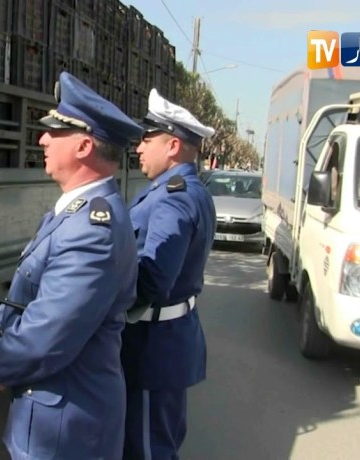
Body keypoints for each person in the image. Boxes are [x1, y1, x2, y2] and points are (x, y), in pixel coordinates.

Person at [0, 71, 143, 460]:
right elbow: (24, 295)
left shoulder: (91, 230)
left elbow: (49, 331)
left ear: (84, 145)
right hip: (56, 418)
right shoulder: (74, 214)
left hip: (66, 430)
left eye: (55, 131)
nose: (42, 139)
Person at [121, 88, 217, 459]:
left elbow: (152, 280)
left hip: (151, 348)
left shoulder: (173, 199)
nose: (139, 148)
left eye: (147, 139)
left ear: (173, 145)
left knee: (147, 449)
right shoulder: (188, 190)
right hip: (168, 341)